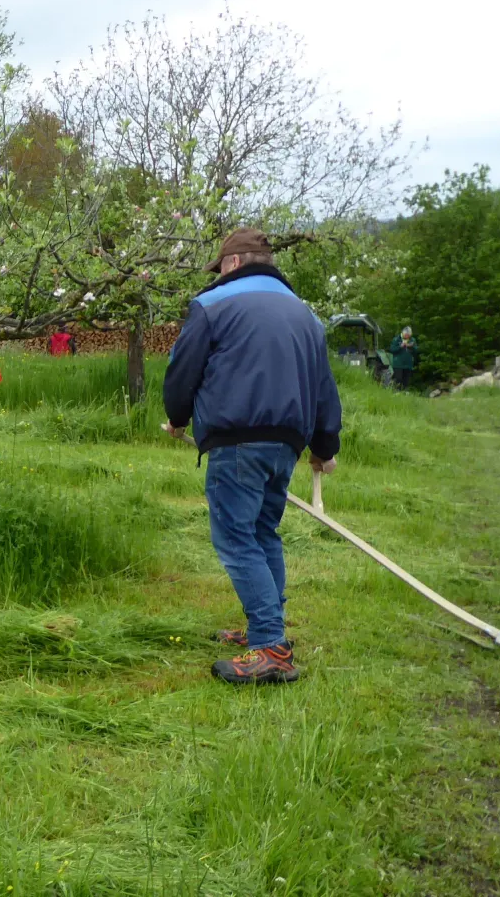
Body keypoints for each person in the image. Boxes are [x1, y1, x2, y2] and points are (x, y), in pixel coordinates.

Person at [163, 227, 342, 685]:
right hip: (286, 443)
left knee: (236, 538)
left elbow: (184, 369)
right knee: (263, 533)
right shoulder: (306, 315)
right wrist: (325, 448)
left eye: (220, 264)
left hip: (236, 438)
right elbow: (324, 387)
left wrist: (177, 416)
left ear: (235, 263)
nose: (218, 272)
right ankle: (266, 629)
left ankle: (270, 647)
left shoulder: (212, 305)